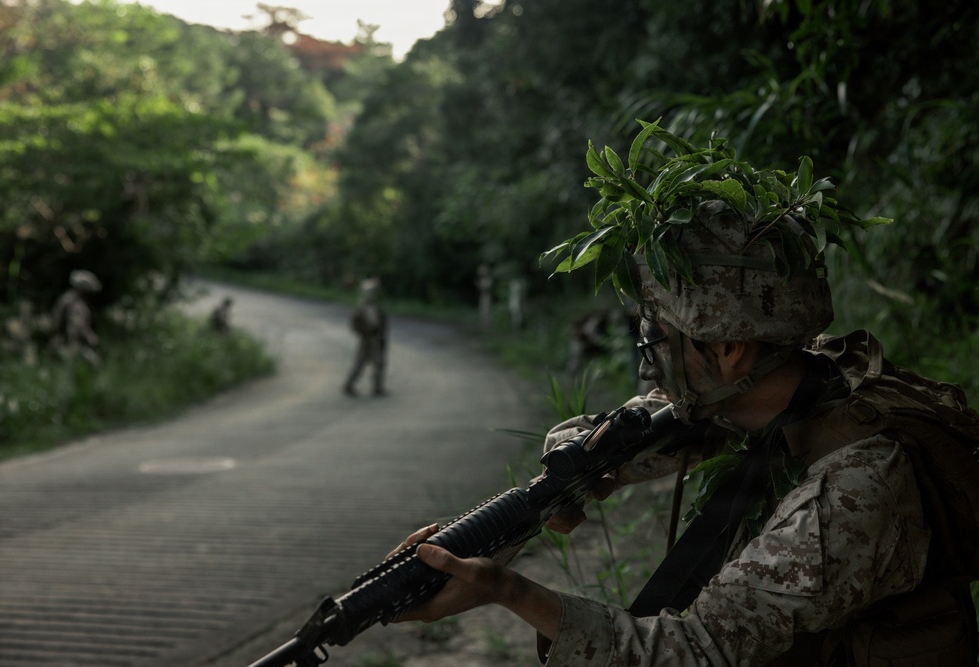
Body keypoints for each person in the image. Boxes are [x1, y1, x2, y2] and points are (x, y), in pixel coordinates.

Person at [390, 127, 979, 666]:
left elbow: (692, 652)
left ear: (729, 350)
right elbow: (639, 432)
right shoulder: (795, 380)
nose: (649, 356)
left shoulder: (857, 488)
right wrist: (503, 530)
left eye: (660, 335)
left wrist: (505, 590)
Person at [343, 277, 388, 397]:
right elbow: (355, 326)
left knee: (378, 363)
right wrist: (366, 333)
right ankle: (349, 385)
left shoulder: (376, 309)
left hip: (375, 338)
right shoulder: (361, 310)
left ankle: (377, 387)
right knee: (360, 363)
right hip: (367, 339)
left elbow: (382, 325)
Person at [51, 269, 102, 365]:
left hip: (60, 342)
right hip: (72, 344)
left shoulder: (66, 298)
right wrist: (91, 338)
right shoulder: (76, 304)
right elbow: (78, 325)